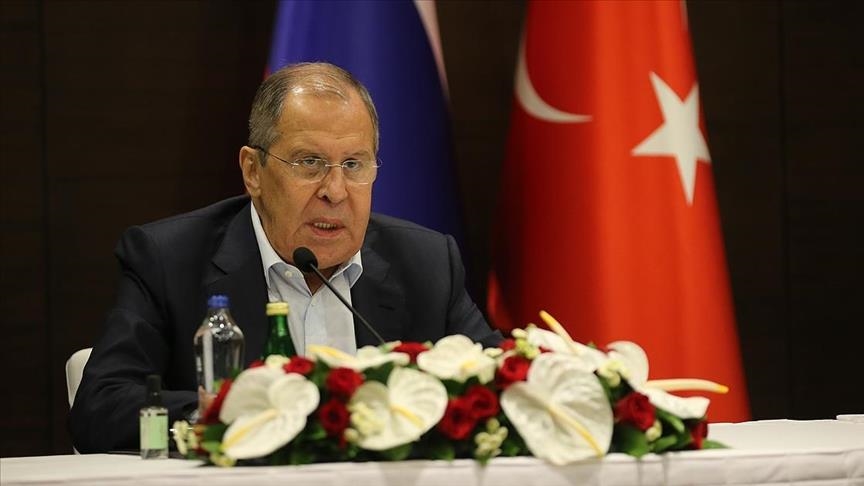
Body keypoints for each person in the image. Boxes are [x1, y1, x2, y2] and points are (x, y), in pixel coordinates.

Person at [69, 62, 501, 453]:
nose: (335, 191)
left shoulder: (426, 262)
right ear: (253, 172)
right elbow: (100, 408)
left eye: (354, 164)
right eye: (309, 162)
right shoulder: (170, 259)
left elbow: (499, 388)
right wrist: (229, 413)